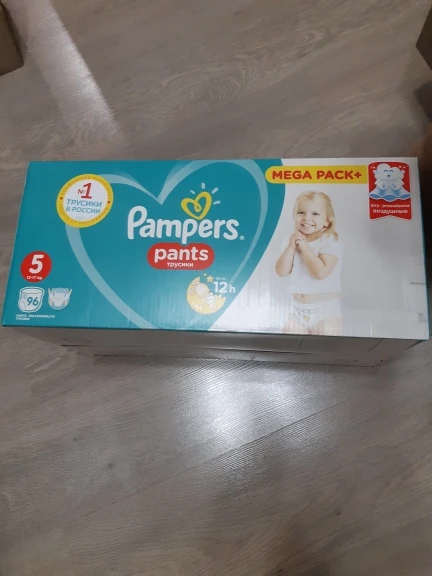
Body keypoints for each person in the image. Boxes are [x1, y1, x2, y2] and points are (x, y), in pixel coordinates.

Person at [276, 191, 342, 335]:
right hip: (296, 309)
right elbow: (282, 272)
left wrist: (305, 248)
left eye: (315, 214)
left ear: (327, 221)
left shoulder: (329, 240)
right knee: (290, 344)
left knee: (325, 345)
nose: (307, 218)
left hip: (325, 310)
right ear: (294, 215)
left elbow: (320, 273)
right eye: (301, 212)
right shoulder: (290, 239)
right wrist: (290, 247)